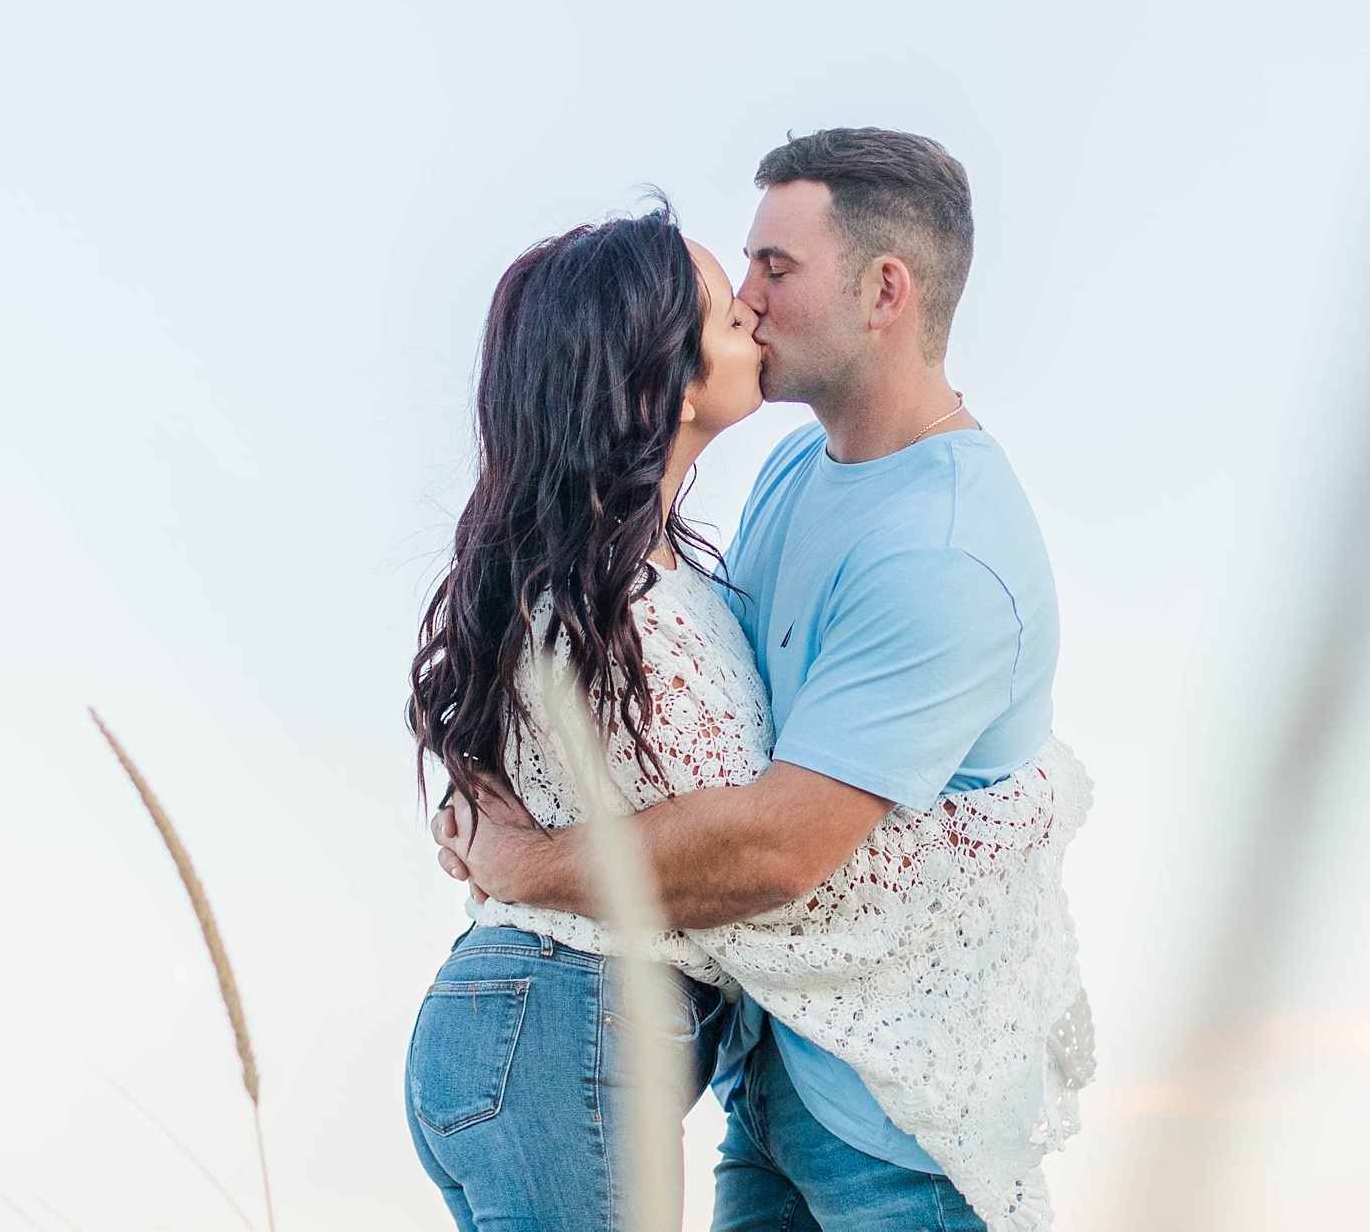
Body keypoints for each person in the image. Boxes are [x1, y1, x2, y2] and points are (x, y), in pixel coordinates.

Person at [437, 131, 1089, 1232]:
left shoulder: (944, 548)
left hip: (899, 1125)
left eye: (774, 268)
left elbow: (779, 846)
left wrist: (520, 859)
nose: (746, 299)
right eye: (738, 272)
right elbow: (684, 764)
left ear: (885, 290)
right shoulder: (792, 470)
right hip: (771, 1084)